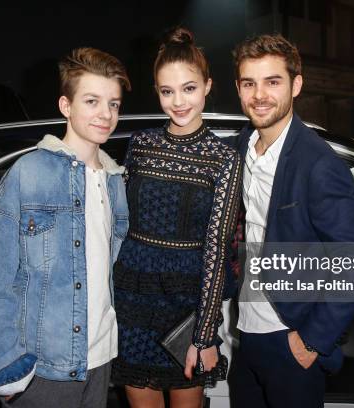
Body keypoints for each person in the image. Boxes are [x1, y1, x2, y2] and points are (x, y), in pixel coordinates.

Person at [0, 47, 130, 408]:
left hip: (99, 361)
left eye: (113, 104)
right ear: (66, 106)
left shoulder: (115, 181)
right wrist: (7, 367)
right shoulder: (30, 173)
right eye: (92, 101)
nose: (105, 114)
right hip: (44, 370)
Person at [230, 34, 354, 408]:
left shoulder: (319, 164)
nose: (259, 95)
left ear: (296, 85)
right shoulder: (237, 149)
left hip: (288, 338)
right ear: (239, 88)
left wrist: (311, 340)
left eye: (272, 82)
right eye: (250, 83)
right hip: (244, 333)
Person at [111, 27, 242, 408]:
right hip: (132, 296)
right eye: (167, 91)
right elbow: (118, 222)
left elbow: (217, 252)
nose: (178, 102)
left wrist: (204, 335)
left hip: (187, 303)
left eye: (188, 88)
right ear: (157, 91)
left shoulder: (224, 158)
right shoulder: (141, 145)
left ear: (207, 86)